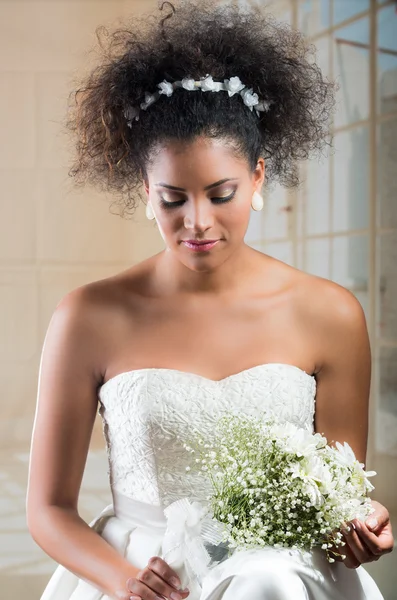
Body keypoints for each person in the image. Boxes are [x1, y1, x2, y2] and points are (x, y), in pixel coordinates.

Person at [27, 2, 394, 599]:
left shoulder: (329, 314)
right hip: (143, 574)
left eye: (221, 193)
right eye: (173, 199)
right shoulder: (87, 317)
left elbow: (339, 501)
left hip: (279, 580)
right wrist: (127, 580)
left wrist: (362, 525)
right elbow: (47, 509)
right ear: (145, 192)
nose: (197, 222)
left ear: (258, 179)